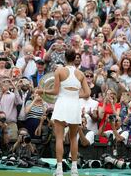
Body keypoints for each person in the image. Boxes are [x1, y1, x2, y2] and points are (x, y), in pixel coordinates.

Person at [36, 48, 90, 176]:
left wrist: (42, 91)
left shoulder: (59, 71)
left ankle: (59, 170)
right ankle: (74, 170)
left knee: (59, 138)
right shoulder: (80, 74)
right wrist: (75, 95)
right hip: (74, 105)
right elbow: (87, 93)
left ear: (65, 58)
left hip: (62, 104)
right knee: (73, 138)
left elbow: (55, 92)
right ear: (74, 59)